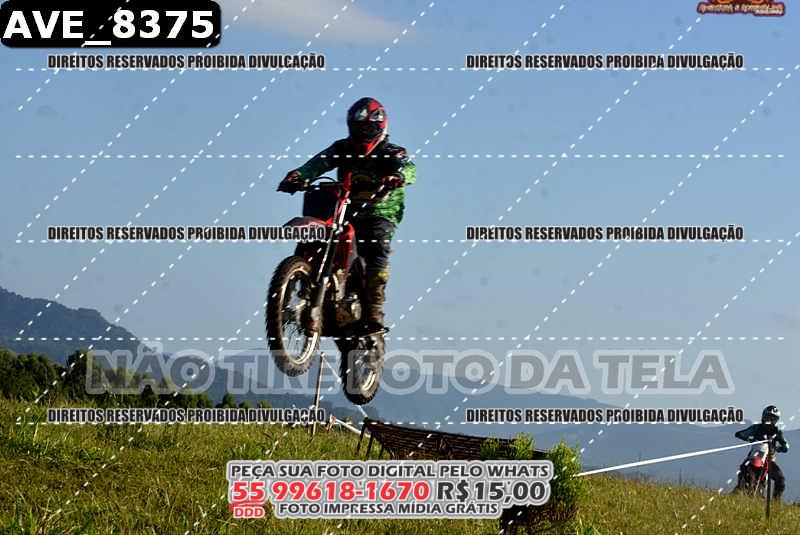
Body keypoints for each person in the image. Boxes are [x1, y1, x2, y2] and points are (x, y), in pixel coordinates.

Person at [278, 97, 417, 334]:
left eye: (369, 127)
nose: (363, 132)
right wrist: (298, 176)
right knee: (315, 235)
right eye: (359, 127)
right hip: (343, 208)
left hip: (380, 211)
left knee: (376, 248)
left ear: (380, 127)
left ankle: (374, 310)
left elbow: (407, 167)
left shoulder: (391, 152)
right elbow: (318, 164)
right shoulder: (341, 148)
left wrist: (397, 176)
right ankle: (299, 286)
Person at [734, 405, 790, 501]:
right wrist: (750, 438)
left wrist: (779, 448)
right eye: (768, 417)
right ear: (763, 416)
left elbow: (786, 446)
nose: (769, 420)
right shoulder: (756, 428)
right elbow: (739, 434)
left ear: (776, 420)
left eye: (773, 418)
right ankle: (740, 490)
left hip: (768, 460)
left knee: (780, 479)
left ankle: (776, 501)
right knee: (743, 469)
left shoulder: (777, 432)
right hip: (753, 457)